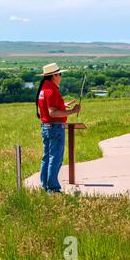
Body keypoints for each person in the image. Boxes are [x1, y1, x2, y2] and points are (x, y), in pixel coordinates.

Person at [36, 63, 81, 193]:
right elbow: (53, 113)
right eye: (59, 74)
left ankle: (45, 185)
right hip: (55, 127)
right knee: (55, 158)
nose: (61, 76)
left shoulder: (44, 88)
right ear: (53, 76)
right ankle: (53, 189)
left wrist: (63, 105)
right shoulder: (52, 90)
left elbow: (48, 107)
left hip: (46, 126)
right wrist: (72, 111)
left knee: (47, 157)